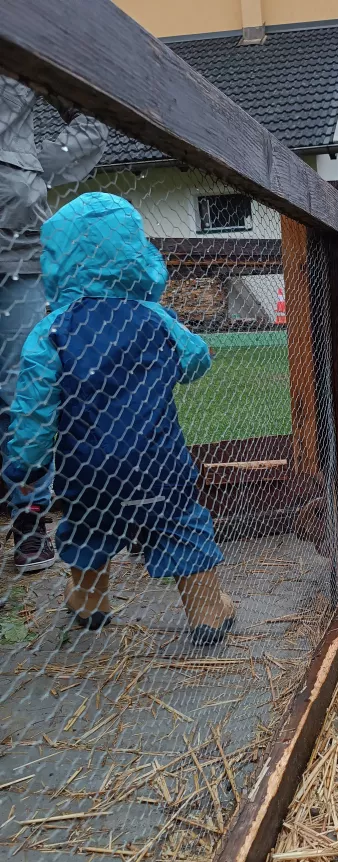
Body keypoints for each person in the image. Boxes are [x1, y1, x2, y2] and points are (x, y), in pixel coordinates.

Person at [4, 192, 235, 646]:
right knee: (180, 524)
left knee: (87, 528)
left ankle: (90, 604)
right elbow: (197, 361)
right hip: (158, 463)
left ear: (60, 258)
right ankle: (208, 613)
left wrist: (26, 467)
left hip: (86, 468)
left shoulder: (51, 330)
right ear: (134, 251)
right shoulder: (154, 318)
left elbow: (32, 409)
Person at [0, 75, 108, 571]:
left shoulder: (25, 39)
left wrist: (30, 170)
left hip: (17, 255)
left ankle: (29, 523)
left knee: (23, 388)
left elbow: (91, 118)